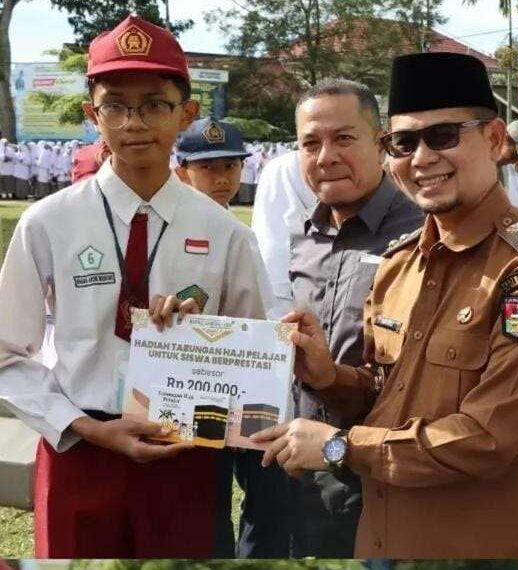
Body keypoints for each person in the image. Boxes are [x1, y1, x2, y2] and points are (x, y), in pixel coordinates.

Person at [252, 52, 518, 558]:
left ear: (495, 140)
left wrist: (339, 447)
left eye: (444, 136)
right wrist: (329, 378)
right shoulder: (399, 263)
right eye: (404, 142)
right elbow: (386, 399)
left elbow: (486, 439)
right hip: (383, 533)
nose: (422, 158)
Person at [0, 15, 270, 558]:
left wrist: (207, 344)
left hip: (186, 459)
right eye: (115, 105)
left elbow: (257, 356)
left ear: (186, 113)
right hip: (79, 450)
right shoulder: (48, 222)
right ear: (91, 115)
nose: (134, 122)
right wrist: (85, 428)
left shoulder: (223, 233)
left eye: (154, 104)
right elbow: (6, 352)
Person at [235, 78, 423, 558]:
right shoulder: (306, 235)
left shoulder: (425, 233)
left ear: (380, 144)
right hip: (302, 476)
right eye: (310, 143)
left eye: (343, 139)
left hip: (384, 478)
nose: (326, 157)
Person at [175, 117, 251, 208]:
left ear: (241, 167)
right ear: (183, 174)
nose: (221, 179)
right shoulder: (174, 221)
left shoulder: (231, 221)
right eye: (207, 167)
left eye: (229, 166)